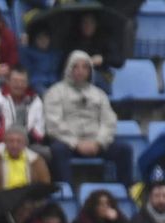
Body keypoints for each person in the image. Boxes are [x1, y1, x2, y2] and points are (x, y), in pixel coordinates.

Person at [42, 50, 129, 185]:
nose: (80, 71)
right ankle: (66, 193)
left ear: (90, 71)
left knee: (124, 149)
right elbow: (53, 124)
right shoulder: (55, 92)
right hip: (69, 143)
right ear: (68, 68)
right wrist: (76, 143)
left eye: (85, 67)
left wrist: (99, 142)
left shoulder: (99, 94)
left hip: (95, 143)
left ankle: (126, 191)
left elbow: (109, 121)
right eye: (76, 66)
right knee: (56, 150)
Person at [0, 67, 44, 148]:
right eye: (15, 81)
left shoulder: (35, 100)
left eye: (23, 82)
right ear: (7, 81)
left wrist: (22, 140)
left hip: (28, 144)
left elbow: (39, 131)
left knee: (44, 153)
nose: (19, 85)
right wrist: (12, 140)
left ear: (27, 83)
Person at [0, 123, 50, 192]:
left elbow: (44, 186)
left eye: (19, 141)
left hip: (29, 200)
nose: (15, 145)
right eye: (11, 141)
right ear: (5, 142)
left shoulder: (36, 161)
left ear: (25, 143)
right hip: (2, 199)